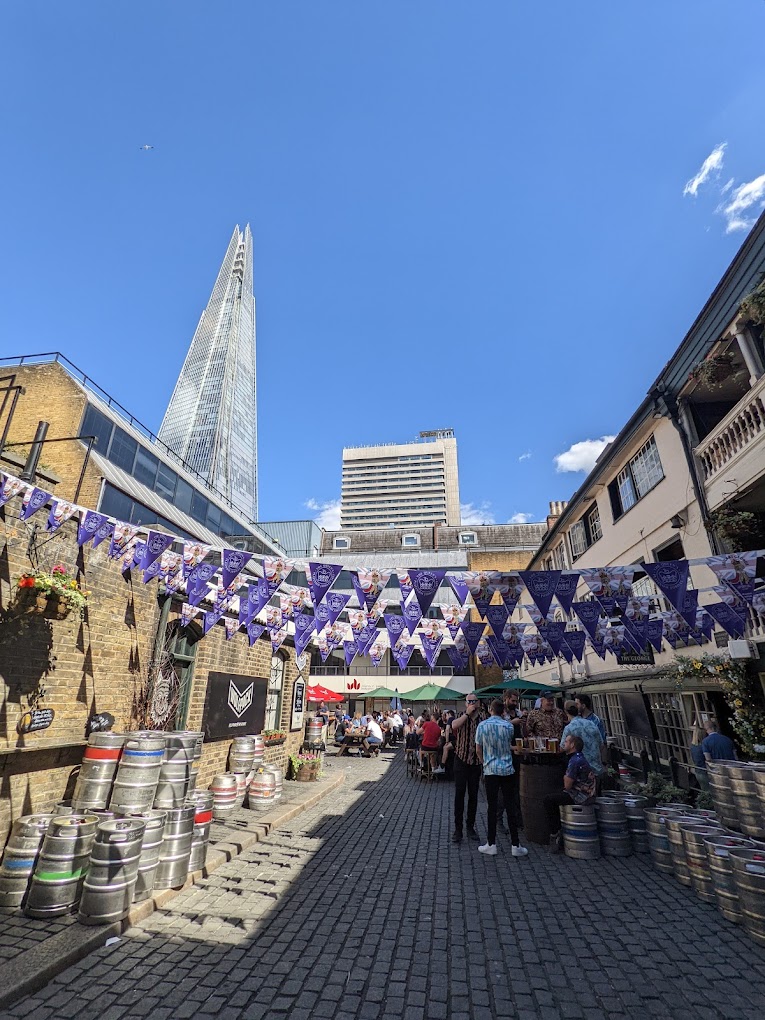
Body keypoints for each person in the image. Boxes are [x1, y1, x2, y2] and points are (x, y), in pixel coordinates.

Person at [474, 700, 527, 858]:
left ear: (490, 710)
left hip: (491, 770)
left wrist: (485, 763)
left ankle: (491, 844)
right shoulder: (509, 726)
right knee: (510, 806)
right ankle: (515, 844)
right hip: (507, 769)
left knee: (492, 806)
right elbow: (505, 745)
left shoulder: (482, 726)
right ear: (503, 711)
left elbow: (478, 749)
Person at [542, 733, 596, 853]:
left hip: (581, 796)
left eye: (566, 742)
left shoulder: (574, 761)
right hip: (583, 793)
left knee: (548, 800)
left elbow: (567, 785)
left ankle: (555, 833)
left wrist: (566, 778)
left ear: (572, 745)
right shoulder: (578, 757)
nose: (563, 744)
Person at [450, 694, 482, 843]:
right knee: (459, 795)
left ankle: (470, 827)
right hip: (461, 760)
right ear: (466, 704)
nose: (472, 703)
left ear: (478, 703)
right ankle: (458, 829)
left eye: (474, 701)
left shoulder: (482, 719)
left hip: (475, 763)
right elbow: (454, 726)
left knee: (473, 796)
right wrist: (467, 714)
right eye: (469, 701)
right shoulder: (461, 716)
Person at [559, 703, 604, 779]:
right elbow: (601, 745)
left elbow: (563, 748)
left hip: (581, 770)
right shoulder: (592, 724)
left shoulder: (569, 728)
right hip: (597, 769)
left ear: (566, 713)